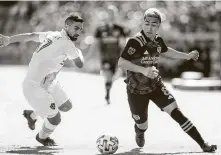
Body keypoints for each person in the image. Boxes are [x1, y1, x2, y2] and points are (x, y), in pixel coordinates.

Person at [118, 8, 217, 152]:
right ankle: (139, 130)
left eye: (153, 24)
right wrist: (144, 70)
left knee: (176, 111)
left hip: (155, 85)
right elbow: (121, 62)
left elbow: (166, 51)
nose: (149, 27)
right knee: (143, 125)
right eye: (146, 23)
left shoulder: (158, 40)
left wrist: (187, 56)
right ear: (143, 24)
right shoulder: (135, 42)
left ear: (158, 26)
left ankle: (203, 144)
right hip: (136, 90)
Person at [0, 14, 84, 146]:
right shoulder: (68, 45)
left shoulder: (52, 34)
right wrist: (79, 52)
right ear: (66, 26)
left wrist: (9, 39)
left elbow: (31, 35)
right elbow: (80, 64)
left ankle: (32, 115)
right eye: (76, 28)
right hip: (34, 87)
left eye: (80, 29)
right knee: (55, 118)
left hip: (48, 81)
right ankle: (42, 137)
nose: (79, 31)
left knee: (66, 106)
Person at [90, 5, 130, 104]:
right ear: (106, 14)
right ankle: (107, 94)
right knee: (108, 75)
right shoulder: (100, 29)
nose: (111, 15)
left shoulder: (120, 29)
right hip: (105, 57)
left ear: (116, 14)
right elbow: (95, 44)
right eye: (109, 12)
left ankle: (109, 86)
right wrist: (89, 56)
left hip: (116, 58)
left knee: (114, 76)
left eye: (113, 13)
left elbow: (123, 44)